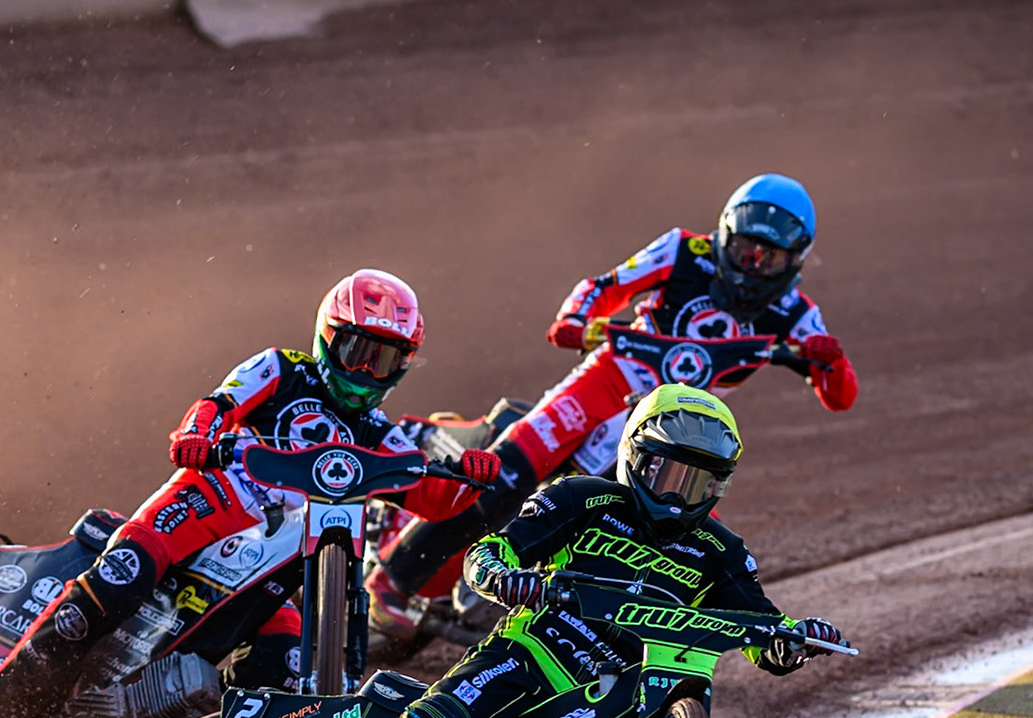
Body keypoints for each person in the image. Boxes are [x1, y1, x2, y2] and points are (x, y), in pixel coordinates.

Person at [238, 383, 844, 718]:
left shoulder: (720, 552)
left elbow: (763, 630)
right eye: (666, 474)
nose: (676, 495)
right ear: (635, 457)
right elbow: (490, 553)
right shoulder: (582, 498)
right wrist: (505, 576)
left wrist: (794, 640)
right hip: (523, 663)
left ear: (719, 487)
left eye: (697, 483)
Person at [0, 269, 503, 718]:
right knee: (119, 578)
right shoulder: (281, 369)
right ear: (328, 336)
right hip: (208, 501)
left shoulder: (378, 433)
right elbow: (219, 404)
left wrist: (473, 478)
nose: (365, 369)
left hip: (279, 555)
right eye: (357, 349)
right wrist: (197, 437)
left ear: (401, 366)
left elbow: (429, 498)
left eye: (381, 359)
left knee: (286, 664)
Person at [367, 173, 857, 637]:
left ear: (794, 261)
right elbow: (603, 287)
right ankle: (393, 579)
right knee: (509, 471)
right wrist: (574, 319)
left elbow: (841, 396)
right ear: (724, 236)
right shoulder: (683, 250)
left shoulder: (796, 312)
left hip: (671, 423)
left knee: (651, 521)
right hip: (605, 380)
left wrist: (829, 360)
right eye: (745, 249)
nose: (752, 265)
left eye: (768, 258)